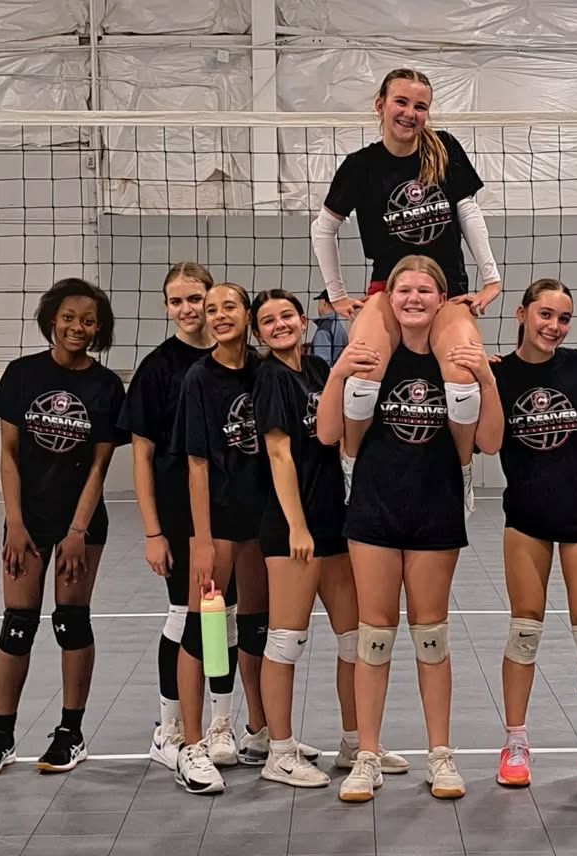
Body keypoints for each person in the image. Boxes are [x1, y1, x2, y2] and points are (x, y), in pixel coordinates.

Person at [318, 255, 503, 803]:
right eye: (404, 290)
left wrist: (488, 379)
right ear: (389, 298)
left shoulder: (457, 364)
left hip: (436, 511)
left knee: (431, 635)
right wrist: (337, 370)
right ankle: (367, 756)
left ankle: (440, 756)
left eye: (425, 290)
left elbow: (489, 441)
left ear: (441, 299)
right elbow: (329, 433)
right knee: (373, 636)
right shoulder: (375, 359)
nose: (414, 298)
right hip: (374, 511)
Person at [311, 67, 502, 513]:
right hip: (388, 289)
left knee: (461, 376)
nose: (410, 113)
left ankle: (462, 470)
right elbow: (324, 229)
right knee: (362, 369)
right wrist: (336, 294)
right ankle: (352, 465)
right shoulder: (361, 166)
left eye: (420, 106)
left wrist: (490, 277)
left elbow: (468, 212)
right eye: (401, 102)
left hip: (447, 290)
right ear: (380, 105)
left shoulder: (444, 149)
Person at [251, 289, 409, 788]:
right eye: (268, 321)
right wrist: (297, 525)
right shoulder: (271, 378)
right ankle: (279, 752)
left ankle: (354, 743)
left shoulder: (318, 373)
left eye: (286, 316)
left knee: (355, 640)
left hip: (336, 525)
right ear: (259, 334)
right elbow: (279, 456)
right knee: (286, 640)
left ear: (303, 320)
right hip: (292, 529)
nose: (280, 325)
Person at [0, 278, 126, 776]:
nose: (77, 327)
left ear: (98, 328)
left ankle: (70, 733)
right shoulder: (21, 375)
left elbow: (100, 466)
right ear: (52, 320)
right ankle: (2, 735)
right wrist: (14, 522)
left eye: (88, 320)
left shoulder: (105, 386)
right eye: (68, 317)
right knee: (17, 623)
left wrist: (77, 529)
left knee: (71, 620)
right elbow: (9, 457)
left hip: (80, 518)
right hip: (28, 518)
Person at [171, 282, 316, 794]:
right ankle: (193, 742)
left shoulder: (264, 370)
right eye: (210, 310)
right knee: (205, 629)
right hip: (220, 521)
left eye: (228, 306)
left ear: (246, 316)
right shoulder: (199, 378)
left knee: (256, 627)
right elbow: (195, 462)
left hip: (263, 519)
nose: (218, 315)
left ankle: (258, 730)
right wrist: (203, 538)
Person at [120, 262, 252, 772]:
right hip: (182, 511)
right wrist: (153, 531)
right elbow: (140, 454)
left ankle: (222, 721)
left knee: (226, 618)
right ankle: (170, 726)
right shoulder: (159, 369)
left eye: (195, 299)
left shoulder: (239, 361)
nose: (188, 310)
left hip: (234, 506)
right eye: (176, 301)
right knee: (188, 616)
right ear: (166, 307)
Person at [492, 279, 577, 788]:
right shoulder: (498, 374)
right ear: (522, 313)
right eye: (545, 315)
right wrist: (477, 379)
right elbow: (482, 444)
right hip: (525, 517)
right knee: (524, 629)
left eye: (563, 319)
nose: (554, 327)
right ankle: (516, 742)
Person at [310, 288, 349, 366]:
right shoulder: (339, 326)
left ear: (324, 302)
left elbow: (322, 365)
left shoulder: (324, 329)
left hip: (327, 377)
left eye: (319, 302)